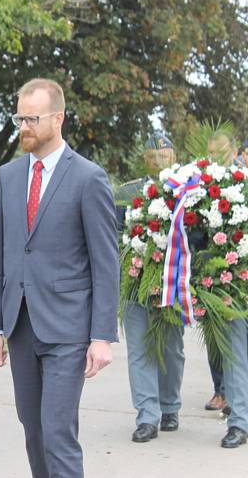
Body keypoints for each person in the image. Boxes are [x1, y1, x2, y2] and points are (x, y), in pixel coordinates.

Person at [0, 78, 119, 477]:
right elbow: (0, 258)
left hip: (69, 329)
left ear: (58, 118)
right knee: (33, 430)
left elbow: (105, 263)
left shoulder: (88, 178)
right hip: (21, 326)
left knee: (58, 432)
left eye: (32, 118)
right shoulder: (8, 176)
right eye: (19, 117)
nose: (23, 126)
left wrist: (101, 336)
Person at [116, 131, 186, 443]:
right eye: (154, 156)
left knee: (171, 348)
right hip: (134, 282)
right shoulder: (127, 192)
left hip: (170, 282)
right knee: (139, 350)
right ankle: (147, 415)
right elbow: (113, 235)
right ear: (145, 159)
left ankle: (169, 405)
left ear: (175, 157)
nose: (159, 160)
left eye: (166, 155)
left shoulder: (186, 191)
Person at [205, 131, 248, 448]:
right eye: (212, 153)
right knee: (234, 355)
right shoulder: (211, 190)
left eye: (222, 152)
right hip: (232, 285)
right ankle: (239, 423)